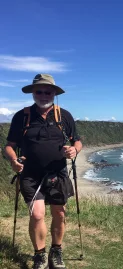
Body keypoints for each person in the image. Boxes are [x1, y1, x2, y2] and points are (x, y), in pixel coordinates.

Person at [4, 74, 82, 269]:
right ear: (33, 93)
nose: (44, 95)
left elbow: (77, 141)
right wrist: (14, 160)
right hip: (30, 174)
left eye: (48, 91)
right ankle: (39, 254)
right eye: (39, 91)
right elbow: (9, 146)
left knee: (60, 213)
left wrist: (74, 150)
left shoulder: (64, 116)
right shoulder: (22, 116)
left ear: (54, 93)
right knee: (37, 215)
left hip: (58, 173)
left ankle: (56, 251)